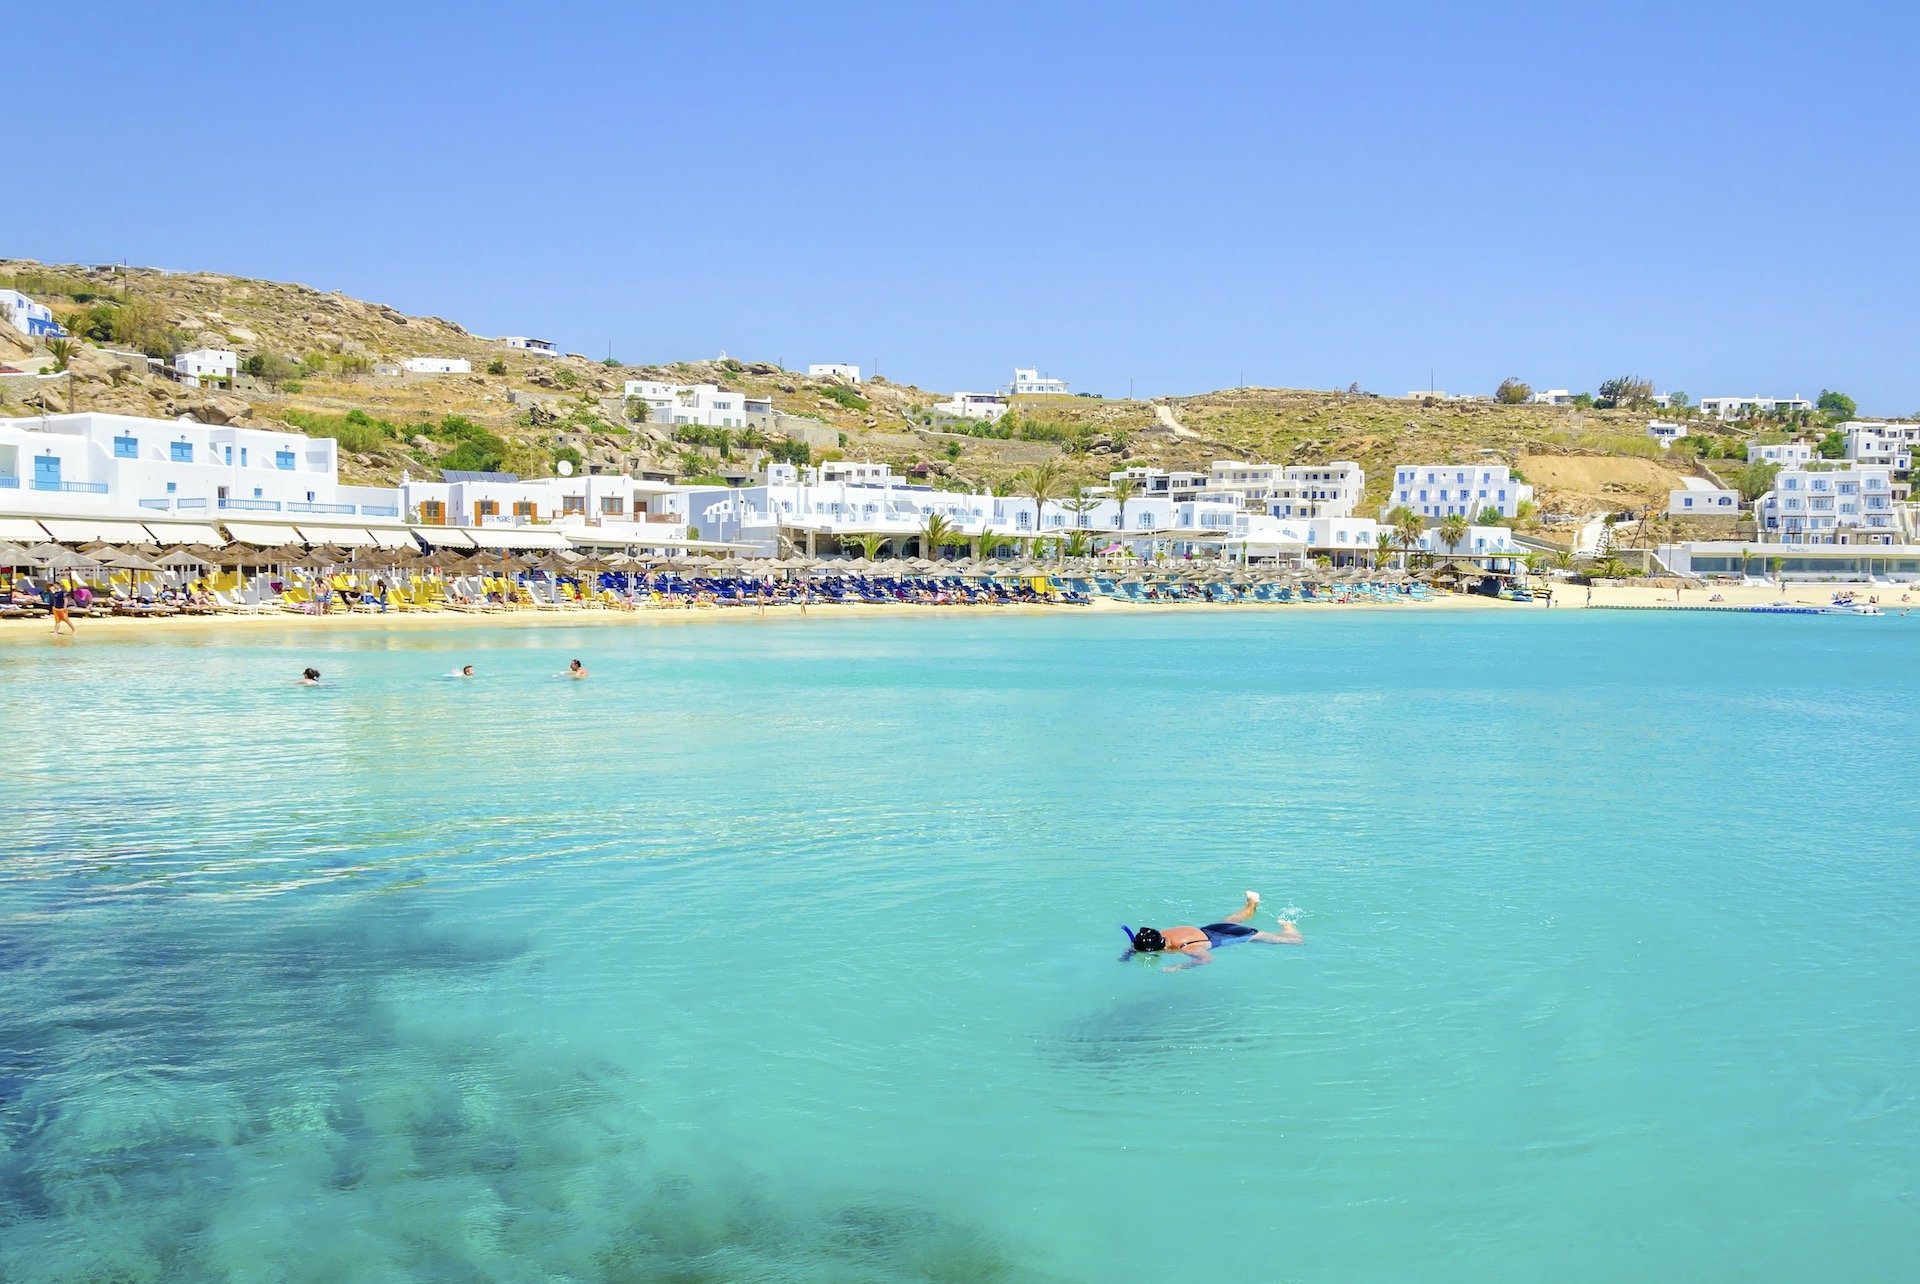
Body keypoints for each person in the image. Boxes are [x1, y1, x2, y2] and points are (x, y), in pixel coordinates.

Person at [1123, 891, 1302, 972]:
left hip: (1228, 936)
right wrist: (1127, 955)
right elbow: (1135, 946)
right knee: (1232, 921)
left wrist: (1180, 966)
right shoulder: (1160, 933)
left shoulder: (1186, 949)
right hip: (1212, 928)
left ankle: (1287, 926)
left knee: (1293, 941)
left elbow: (1208, 959)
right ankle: (1251, 904)